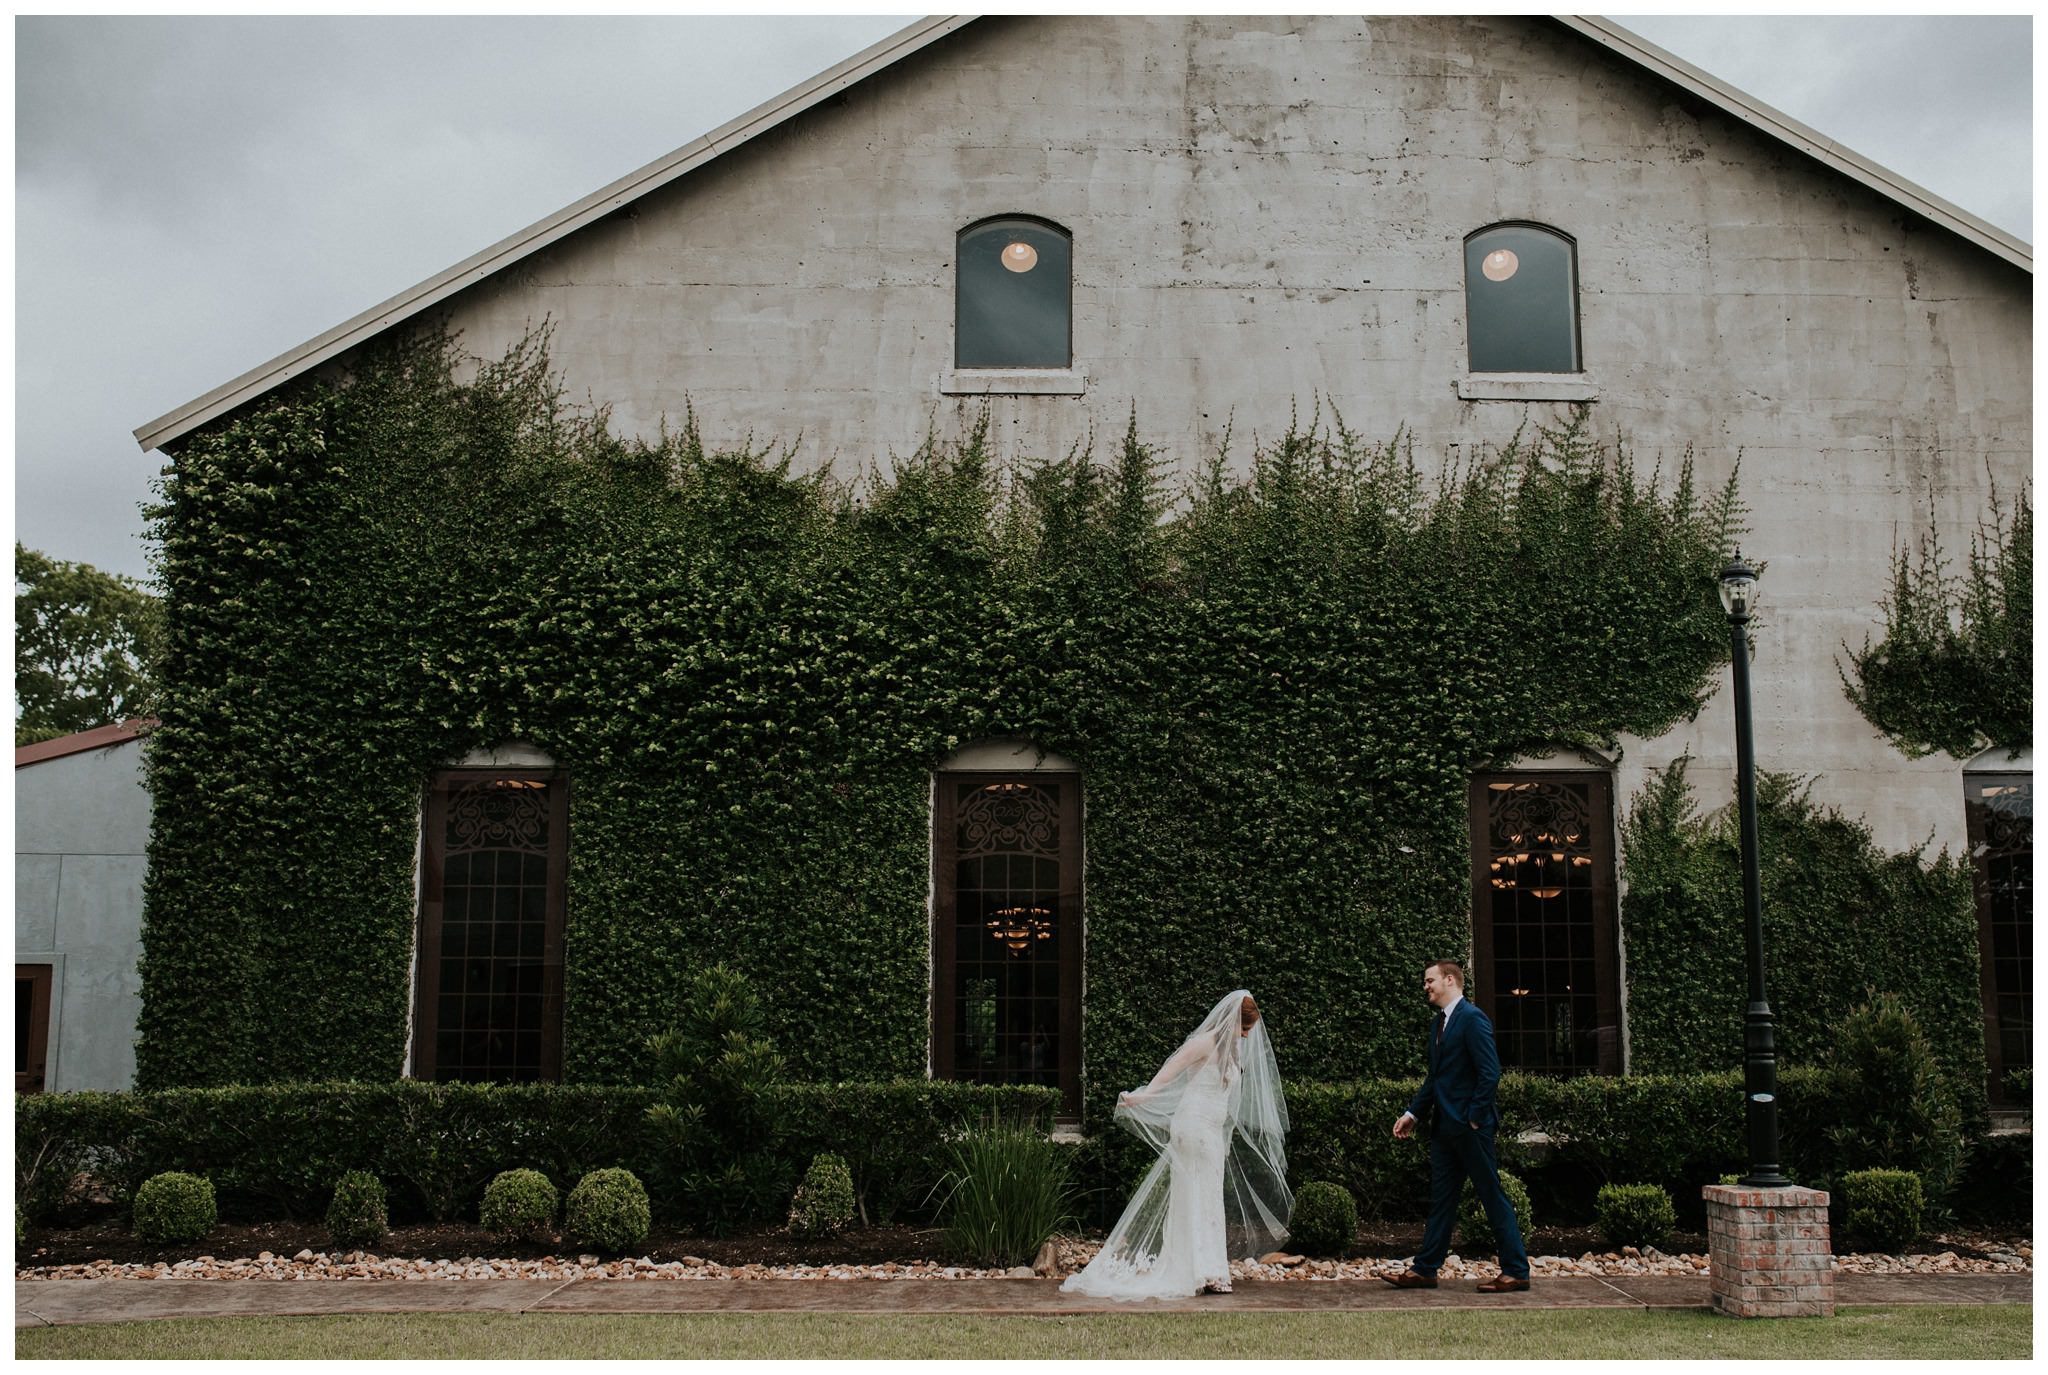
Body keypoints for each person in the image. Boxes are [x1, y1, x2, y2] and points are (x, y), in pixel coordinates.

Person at [1061, 990, 1292, 1300]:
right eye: (1244, 1028)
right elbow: (1172, 1069)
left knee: (1208, 1196)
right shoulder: (1204, 1044)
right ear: (1233, 1021)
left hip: (1210, 1129)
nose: (1246, 1035)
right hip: (1192, 1125)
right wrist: (1145, 1095)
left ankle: (1209, 1269)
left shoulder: (1232, 1050)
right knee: (1195, 1195)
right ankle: (1197, 1270)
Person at [1383, 959, 1532, 1293]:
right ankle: (1425, 1270)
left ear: (1450, 980)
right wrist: (1412, 1114)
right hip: (1444, 1129)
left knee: (1491, 1195)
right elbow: (1436, 1078)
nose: (1426, 987)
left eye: (1429, 980)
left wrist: (1475, 1118)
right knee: (1442, 1200)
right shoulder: (1439, 1024)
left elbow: (1490, 1072)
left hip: (1470, 1128)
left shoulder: (1472, 1019)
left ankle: (1517, 1270)